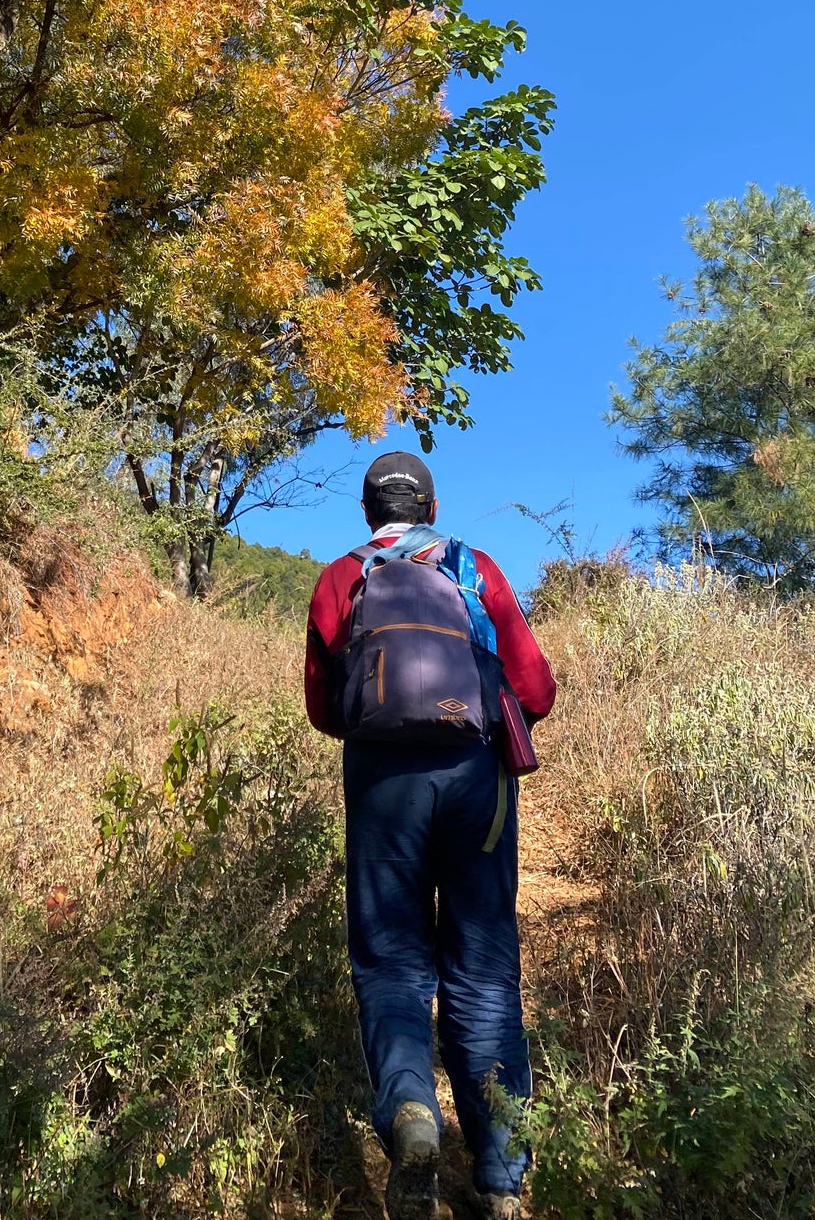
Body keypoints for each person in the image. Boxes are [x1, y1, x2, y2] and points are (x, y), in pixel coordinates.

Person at [304, 450, 557, 1220]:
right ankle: (499, 1176)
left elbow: (324, 710)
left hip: (382, 785)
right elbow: (537, 688)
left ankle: (412, 1113)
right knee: (481, 970)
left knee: (390, 964)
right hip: (475, 782)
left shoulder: (341, 577)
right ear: (433, 504)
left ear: (365, 508)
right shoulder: (473, 566)